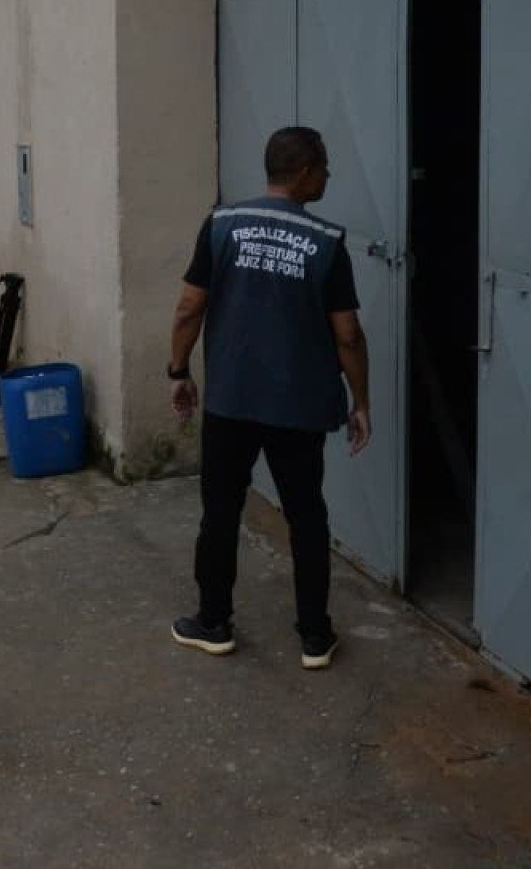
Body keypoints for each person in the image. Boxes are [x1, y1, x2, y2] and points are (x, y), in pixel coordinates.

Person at [167, 126, 371, 671]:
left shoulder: (222, 225)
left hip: (231, 402)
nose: (328, 176)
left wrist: (178, 370)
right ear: (304, 171)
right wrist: (361, 401)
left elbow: (189, 307)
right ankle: (314, 637)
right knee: (306, 516)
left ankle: (212, 623)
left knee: (221, 512)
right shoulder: (327, 242)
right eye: (325, 166)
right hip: (298, 409)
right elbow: (347, 333)